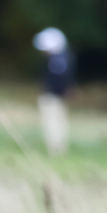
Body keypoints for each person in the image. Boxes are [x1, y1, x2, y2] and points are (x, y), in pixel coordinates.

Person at [33, 27, 73, 156]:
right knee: (57, 121)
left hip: (53, 96)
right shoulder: (64, 57)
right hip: (56, 96)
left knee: (53, 122)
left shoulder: (58, 60)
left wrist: (59, 93)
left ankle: (55, 149)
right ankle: (56, 148)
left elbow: (59, 79)